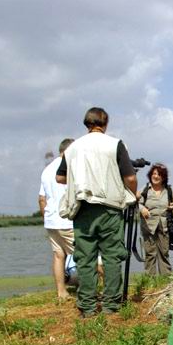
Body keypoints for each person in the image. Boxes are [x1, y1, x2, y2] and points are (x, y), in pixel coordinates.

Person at [56, 107, 137, 316]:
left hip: (82, 209)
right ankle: (111, 306)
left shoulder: (73, 147)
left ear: (86, 124)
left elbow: (60, 177)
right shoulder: (115, 144)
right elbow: (130, 178)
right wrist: (132, 195)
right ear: (105, 123)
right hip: (110, 208)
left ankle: (88, 307)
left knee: (85, 258)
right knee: (111, 257)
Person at [39, 138, 75, 301]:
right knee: (86, 256)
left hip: (51, 221)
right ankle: (95, 289)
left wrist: (46, 217)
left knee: (58, 255)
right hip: (67, 221)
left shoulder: (47, 170)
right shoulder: (69, 167)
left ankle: (61, 292)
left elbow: (41, 198)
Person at [138, 163, 173, 275]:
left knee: (164, 253)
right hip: (148, 226)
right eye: (154, 174)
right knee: (150, 254)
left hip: (164, 226)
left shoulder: (169, 190)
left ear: (163, 177)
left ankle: (165, 280)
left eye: (159, 174)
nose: (156, 176)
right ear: (150, 175)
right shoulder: (145, 189)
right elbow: (138, 203)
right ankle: (150, 281)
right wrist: (142, 209)